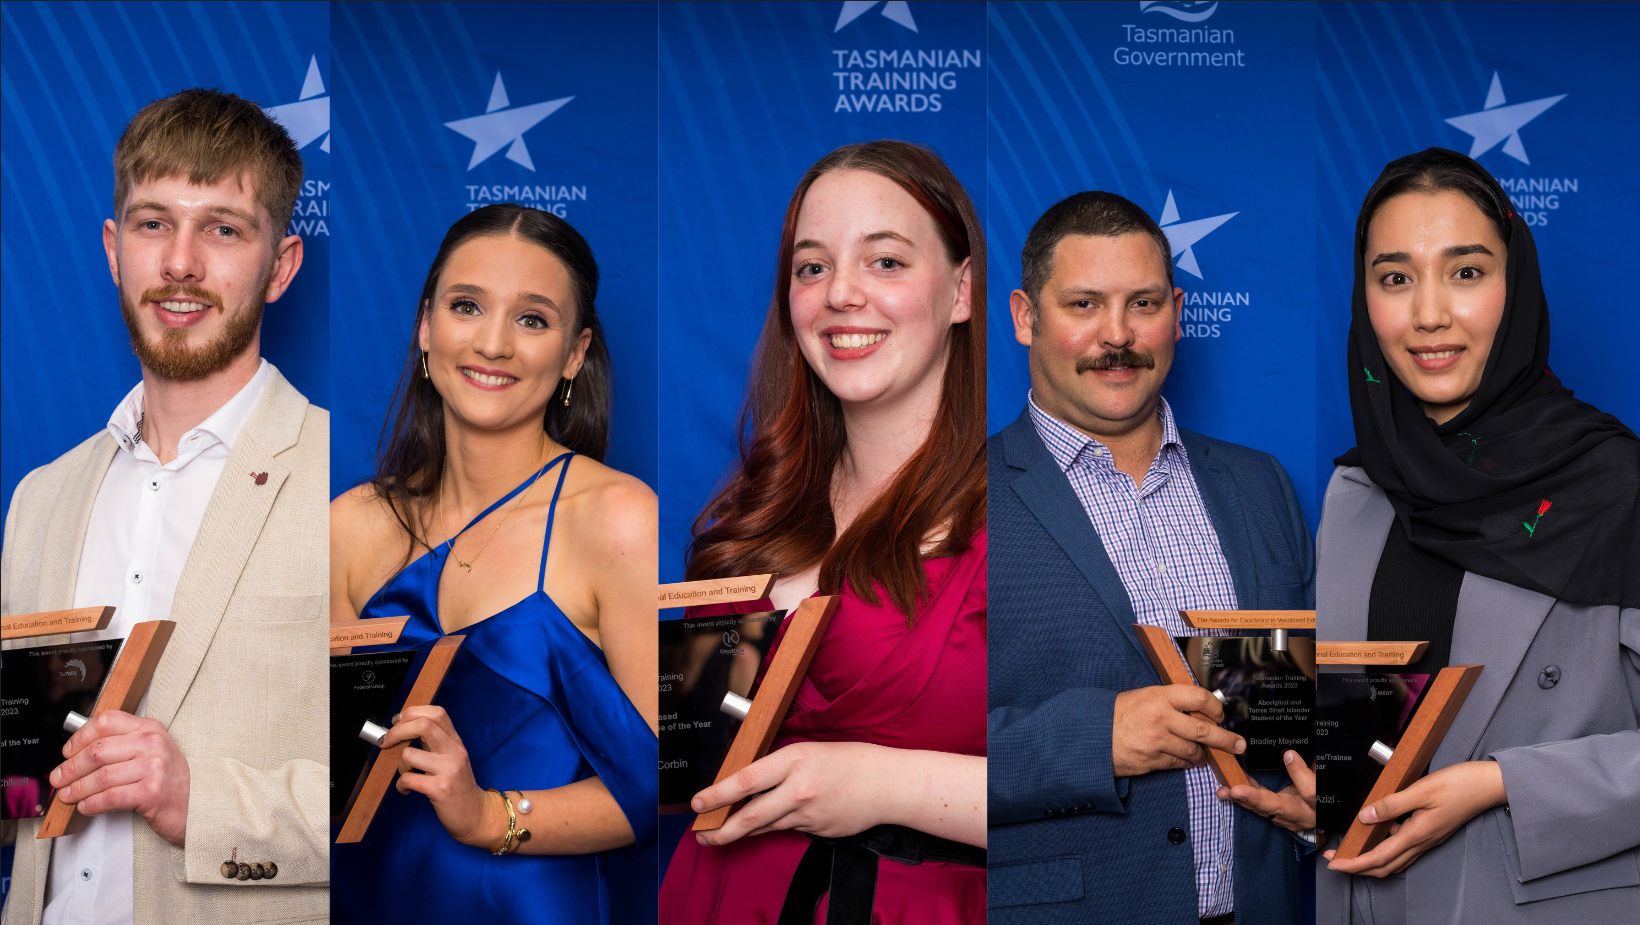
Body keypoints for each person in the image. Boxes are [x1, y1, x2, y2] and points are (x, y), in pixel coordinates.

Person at [0, 89, 328, 924]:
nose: (181, 263)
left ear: (280, 265)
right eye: (153, 223)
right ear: (115, 250)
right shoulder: (41, 498)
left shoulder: (345, 484)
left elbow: (394, 788)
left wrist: (200, 798)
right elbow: (17, 780)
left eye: (222, 228)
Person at [659, 140, 988, 923]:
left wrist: (879, 784)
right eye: (811, 267)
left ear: (962, 290)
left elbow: (1094, 780)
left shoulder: (1022, 515)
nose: (840, 293)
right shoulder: (751, 513)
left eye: (885, 262)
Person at [1314, 148, 1640, 923]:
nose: (1430, 314)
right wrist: (1310, 773)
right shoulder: (1355, 491)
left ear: (1516, 283)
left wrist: (1499, 783)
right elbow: (1361, 717)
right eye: (1396, 278)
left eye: (1466, 272)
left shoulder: (1616, 484)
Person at [986, 191, 1316, 925]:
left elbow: (1299, 699)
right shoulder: (954, 502)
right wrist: (1093, 739)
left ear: (1175, 310)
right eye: (1083, 304)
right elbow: (905, 755)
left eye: (1142, 304)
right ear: (1024, 316)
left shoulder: (1260, 484)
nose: (1118, 335)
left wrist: (1329, 781)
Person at [329, 204, 658, 923]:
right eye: (467, 305)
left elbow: (654, 786)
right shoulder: (351, 523)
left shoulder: (619, 518)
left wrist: (485, 815)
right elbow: (321, 766)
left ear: (575, 353)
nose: (493, 342)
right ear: (425, 327)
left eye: (533, 319)